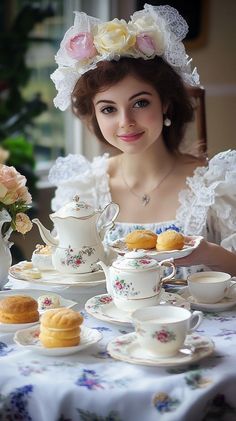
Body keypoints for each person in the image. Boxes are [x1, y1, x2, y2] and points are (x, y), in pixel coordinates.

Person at [48, 4, 236, 278]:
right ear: (95, 116)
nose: (126, 121)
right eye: (109, 109)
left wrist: (210, 254)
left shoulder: (214, 187)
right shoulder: (84, 190)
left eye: (140, 103)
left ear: (166, 103)